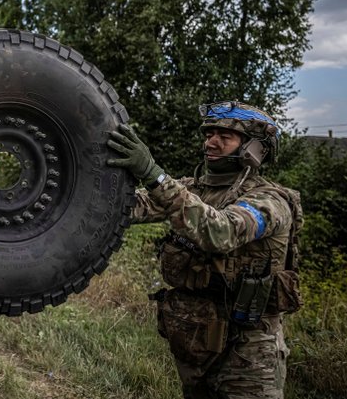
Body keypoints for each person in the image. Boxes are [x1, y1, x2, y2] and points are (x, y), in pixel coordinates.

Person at [106, 102, 302, 399]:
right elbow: (130, 208)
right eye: (209, 133)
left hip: (248, 354)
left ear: (255, 148)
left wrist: (153, 173)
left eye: (225, 136)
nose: (211, 141)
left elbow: (219, 232)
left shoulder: (270, 201)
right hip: (196, 341)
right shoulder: (195, 190)